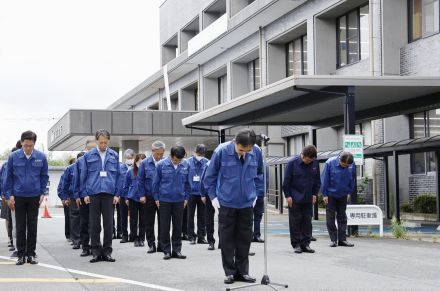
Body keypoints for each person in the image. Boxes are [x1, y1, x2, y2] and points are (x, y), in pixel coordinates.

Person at [203, 128, 263, 284]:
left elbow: (259, 174)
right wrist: (213, 198)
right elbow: (209, 177)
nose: (243, 153)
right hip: (226, 202)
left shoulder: (256, 151)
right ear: (235, 142)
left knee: (244, 238)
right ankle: (230, 272)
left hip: (247, 202)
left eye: (247, 151)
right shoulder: (221, 151)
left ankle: (243, 272)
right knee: (227, 238)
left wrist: (256, 194)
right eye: (241, 150)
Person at [5, 131, 49, 265]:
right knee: (19, 226)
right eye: (25, 145)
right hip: (18, 196)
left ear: (34, 143)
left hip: (34, 196)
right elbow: (9, 177)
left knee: (32, 225)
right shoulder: (13, 157)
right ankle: (21, 254)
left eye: (30, 145)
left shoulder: (41, 157)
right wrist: (9, 195)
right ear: (21, 143)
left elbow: (44, 176)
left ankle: (31, 253)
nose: (28, 148)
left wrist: (42, 193)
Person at [80, 129, 121, 263]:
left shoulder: (114, 155)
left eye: (105, 142)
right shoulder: (88, 156)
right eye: (101, 142)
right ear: (96, 141)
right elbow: (84, 175)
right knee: (94, 224)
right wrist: (85, 193)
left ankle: (107, 251)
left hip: (109, 193)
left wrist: (117, 194)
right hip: (94, 193)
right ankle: (96, 252)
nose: (103, 145)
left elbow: (119, 176)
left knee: (109, 224)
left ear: (108, 141)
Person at [153, 145, 190, 260]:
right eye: (175, 160)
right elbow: (155, 183)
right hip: (164, 200)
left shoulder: (185, 165)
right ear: (171, 156)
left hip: (179, 200)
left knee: (178, 226)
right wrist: (156, 198)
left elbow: (188, 184)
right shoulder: (161, 165)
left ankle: (177, 250)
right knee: (165, 226)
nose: (178, 162)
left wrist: (186, 198)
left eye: (180, 160)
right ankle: (166, 250)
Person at [282, 145, 320, 254]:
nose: (308, 161)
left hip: (308, 198)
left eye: (310, 160)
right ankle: (296, 244)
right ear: (302, 155)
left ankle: (306, 244)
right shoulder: (292, 164)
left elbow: (317, 181)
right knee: (295, 222)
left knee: (307, 221)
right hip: (294, 198)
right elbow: (286, 182)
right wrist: (288, 196)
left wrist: (314, 194)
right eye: (306, 159)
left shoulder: (315, 164)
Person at [320, 151, 356, 248]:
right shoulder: (330, 163)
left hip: (343, 194)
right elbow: (324, 179)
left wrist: (349, 191)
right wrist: (324, 194)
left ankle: (342, 239)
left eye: (347, 165)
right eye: (343, 164)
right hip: (331, 194)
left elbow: (352, 179)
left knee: (342, 217)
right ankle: (333, 240)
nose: (345, 166)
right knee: (330, 217)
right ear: (339, 159)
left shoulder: (352, 164)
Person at [137, 140, 166, 254]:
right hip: (149, 197)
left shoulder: (165, 162)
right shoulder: (144, 163)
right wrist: (141, 195)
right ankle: (151, 244)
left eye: (161, 154)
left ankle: (161, 244)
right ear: (152, 151)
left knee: (162, 222)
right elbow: (140, 180)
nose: (159, 156)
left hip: (162, 197)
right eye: (157, 154)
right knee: (149, 221)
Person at [187, 144, 209, 245]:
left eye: (202, 153)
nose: (200, 154)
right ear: (195, 152)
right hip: (190, 193)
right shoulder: (188, 162)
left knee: (202, 216)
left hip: (202, 193)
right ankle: (191, 236)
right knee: (190, 215)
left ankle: (201, 236)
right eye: (199, 152)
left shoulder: (207, 162)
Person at [125, 153, 147, 247]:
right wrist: (126, 198)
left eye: (143, 161)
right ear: (136, 161)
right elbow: (125, 186)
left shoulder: (147, 171)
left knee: (143, 219)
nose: (140, 163)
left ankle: (142, 238)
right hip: (133, 197)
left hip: (144, 198)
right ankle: (134, 237)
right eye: (139, 161)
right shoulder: (130, 171)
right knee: (133, 219)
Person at [62, 158, 82, 249]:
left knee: (86, 219)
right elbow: (64, 183)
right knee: (74, 218)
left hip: (85, 196)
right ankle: (76, 240)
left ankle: (85, 240)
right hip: (73, 196)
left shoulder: (88, 166)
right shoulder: (70, 169)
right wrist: (65, 197)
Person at [119, 149, 135, 243]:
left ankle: (133, 235)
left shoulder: (136, 168)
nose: (129, 159)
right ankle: (124, 235)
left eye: (131, 158)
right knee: (123, 216)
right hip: (123, 195)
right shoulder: (120, 168)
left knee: (133, 217)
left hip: (133, 196)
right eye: (127, 158)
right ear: (125, 158)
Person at [200, 160, 216, 251]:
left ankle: (222, 242)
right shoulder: (209, 164)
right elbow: (203, 179)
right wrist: (202, 194)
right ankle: (211, 241)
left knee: (224, 219)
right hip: (210, 193)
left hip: (224, 193)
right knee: (209, 218)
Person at [57, 171, 70, 242]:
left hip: (77, 198)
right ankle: (68, 235)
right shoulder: (65, 174)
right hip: (67, 199)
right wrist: (63, 198)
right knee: (68, 218)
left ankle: (78, 236)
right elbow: (60, 188)